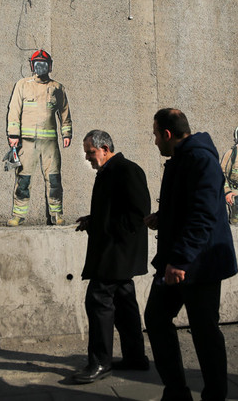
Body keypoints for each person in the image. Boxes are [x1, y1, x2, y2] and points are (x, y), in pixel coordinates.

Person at [144, 108, 238, 401]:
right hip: (179, 260)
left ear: (168, 134)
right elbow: (188, 204)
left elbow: (204, 215)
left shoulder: (200, 159)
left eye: (156, 134)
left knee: (204, 332)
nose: (155, 141)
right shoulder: (181, 159)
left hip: (199, 264)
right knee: (157, 319)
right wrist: (164, 216)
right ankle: (177, 393)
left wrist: (181, 260)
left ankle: (214, 396)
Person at [73, 130, 151, 384]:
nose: (88, 158)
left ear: (105, 148)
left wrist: (105, 230)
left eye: (90, 152)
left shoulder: (127, 170)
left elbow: (137, 213)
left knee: (97, 301)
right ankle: (135, 358)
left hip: (116, 253)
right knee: (125, 304)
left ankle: (99, 362)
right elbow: (112, 211)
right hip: (115, 252)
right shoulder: (109, 172)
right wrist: (93, 221)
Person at [6, 49, 72, 226]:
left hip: (50, 144)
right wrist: (13, 135)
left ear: (49, 66)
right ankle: (18, 215)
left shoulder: (57, 88)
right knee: (23, 179)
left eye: (44, 63)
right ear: (32, 66)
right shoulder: (22, 85)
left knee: (54, 180)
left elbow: (64, 113)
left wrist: (67, 134)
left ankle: (56, 214)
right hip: (26, 143)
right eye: (37, 63)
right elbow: (14, 110)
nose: (40, 66)